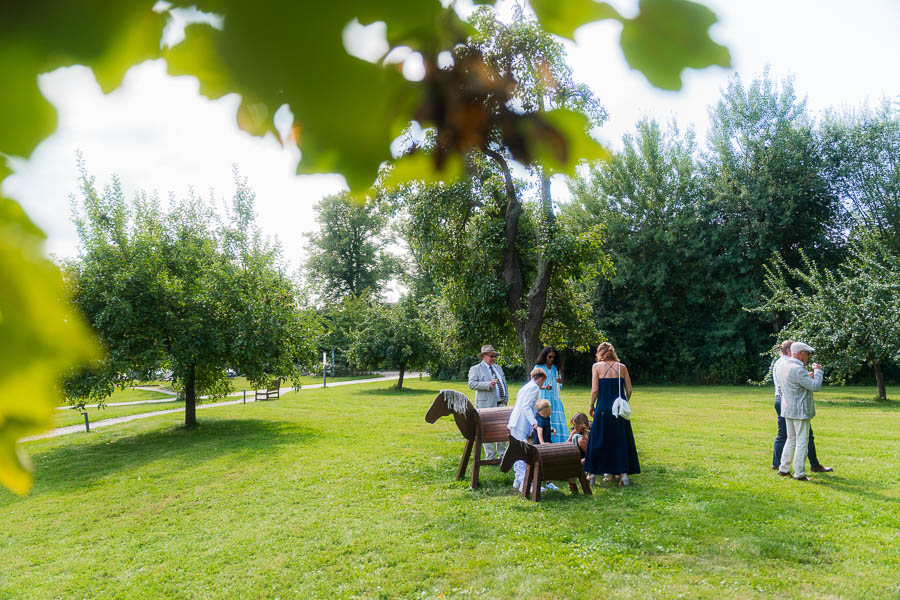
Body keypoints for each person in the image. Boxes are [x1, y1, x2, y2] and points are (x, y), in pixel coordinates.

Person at [771, 340, 832, 473]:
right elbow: (815, 386)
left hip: (787, 408)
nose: (809, 356)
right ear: (800, 354)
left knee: (791, 439)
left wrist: (807, 377)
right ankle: (799, 473)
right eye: (808, 354)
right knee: (802, 442)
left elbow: (789, 385)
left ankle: (784, 468)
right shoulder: (798, 369)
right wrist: (818, 372)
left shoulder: (782, 366)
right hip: (800, 410)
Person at [584, 342, 640, 486]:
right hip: (618, 409)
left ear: (600, 353)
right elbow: (629, 390)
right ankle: (623, 475)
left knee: (597, 440)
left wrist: (591, 405)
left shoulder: (596, 367)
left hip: (602, 408)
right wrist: (624, 402)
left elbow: (595, 389)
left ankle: (591, 475)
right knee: (620, 440)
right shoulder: (622, 368)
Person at [507, 367, 547, 491]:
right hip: (521, 422)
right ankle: (525, 483)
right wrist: (534, 422)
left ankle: (518, 480)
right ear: (540, 379)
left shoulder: (526, 386)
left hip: (516, 421)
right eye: (543, 381)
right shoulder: (534, 387)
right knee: (522, 452)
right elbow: (526, 406)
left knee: (518, 450)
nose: (542, 384)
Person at [468, 344, 509, 460]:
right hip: (486, 405)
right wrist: (487, 385)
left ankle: (502, 455)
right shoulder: (475, 369)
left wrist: (505, 398)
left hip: (501, 404)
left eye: (494, 356)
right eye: (491, 356)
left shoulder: (498, 368)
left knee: (502, 429)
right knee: (487, 430)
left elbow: (504, 384)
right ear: (484, 356)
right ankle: (490, 456)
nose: (494, 358)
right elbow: (471, 384)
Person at [535, 346, 569, 443]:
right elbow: (534, 384)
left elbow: (560, 386)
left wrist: (559, 382)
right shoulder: (538, 367)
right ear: (545, 356)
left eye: (553, 357)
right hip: (544, 397)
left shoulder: (555, 368)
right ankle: (545, 441)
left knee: (557, 418)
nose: (551, 359)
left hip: (555, 398)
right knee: (544, 417)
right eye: (549, 356)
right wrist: (544, 387)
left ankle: (559, 440)